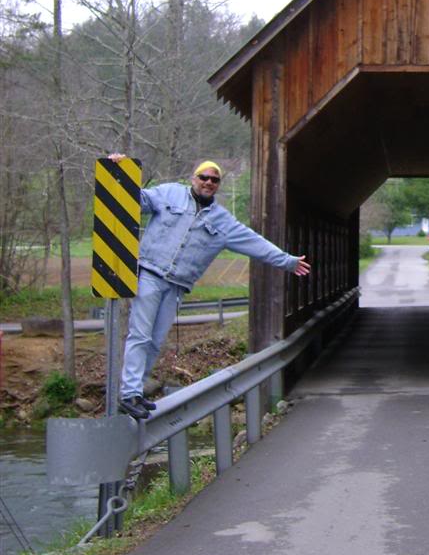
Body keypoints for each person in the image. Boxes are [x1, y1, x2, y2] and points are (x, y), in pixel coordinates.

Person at [108, 155, 311, 419]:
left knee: (155, 341)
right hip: (150, 274)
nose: (209, 183)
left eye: (214, 180)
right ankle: (129, 393)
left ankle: (137, 393)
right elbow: (137, 199)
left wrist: (288, 262)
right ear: (193, 179)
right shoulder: (169, 193)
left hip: (177, 285)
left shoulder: (222, 221)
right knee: (141, 334)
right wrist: (119, 169)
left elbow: (255, 243)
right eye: (204, 177)